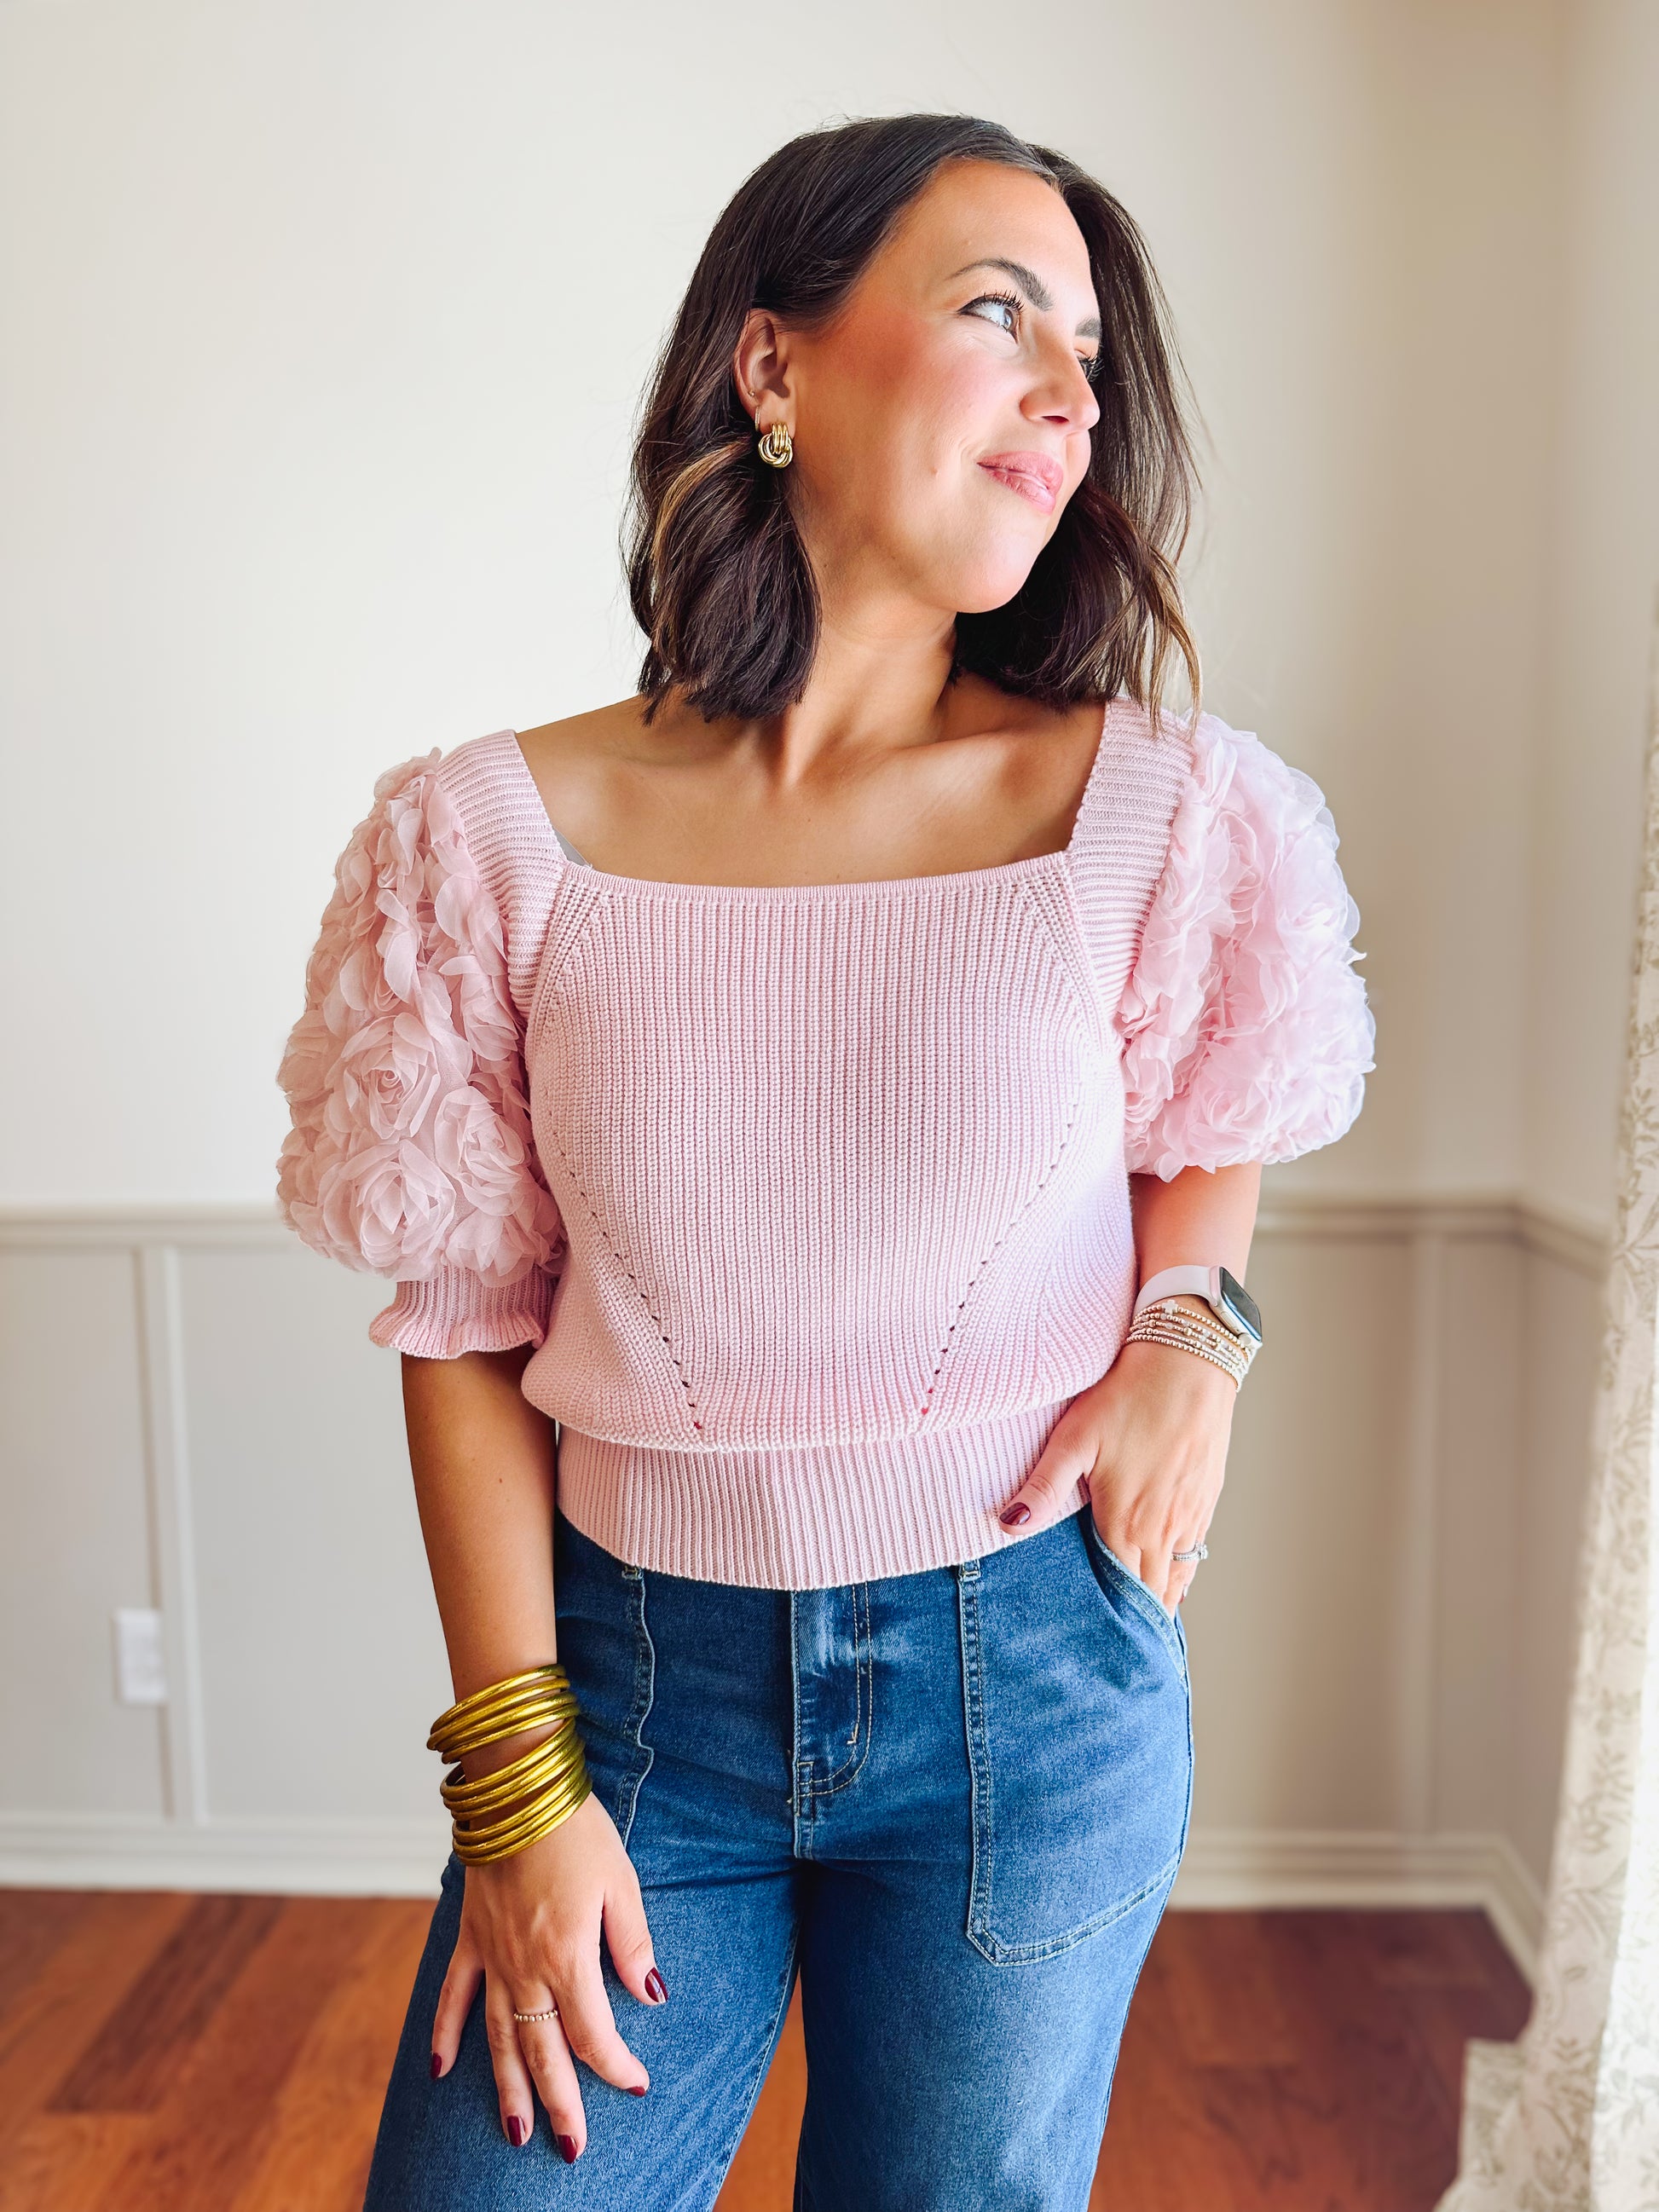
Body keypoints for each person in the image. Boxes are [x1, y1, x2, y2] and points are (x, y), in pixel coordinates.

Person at [276, 112, 1374, 2212]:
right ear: (772, 365)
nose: (1068, 394)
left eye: (1087, 353)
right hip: (629, 1699)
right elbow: (461, 1319)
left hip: (1027, 1695)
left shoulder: (1162, 809)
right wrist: (518, 1791)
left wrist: (1191, 1337)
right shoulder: (488, 837)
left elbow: (1211, 1119)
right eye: (997, 313)